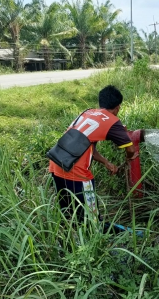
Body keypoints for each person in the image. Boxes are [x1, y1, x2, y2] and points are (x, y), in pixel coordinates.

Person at [49, 85, 137, 224]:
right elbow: (131, 149)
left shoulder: (87, 113)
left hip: (57, 164)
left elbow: (84, 145)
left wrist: (106, 162)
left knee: (68, 213)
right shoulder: (113, 121)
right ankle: (94, 238)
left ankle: (69, 241)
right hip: (76, 172)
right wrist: (130, 156)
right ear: (118, 107)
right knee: (91, 219)